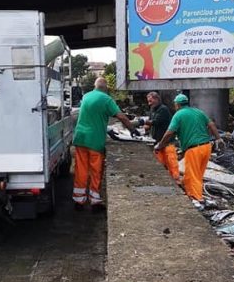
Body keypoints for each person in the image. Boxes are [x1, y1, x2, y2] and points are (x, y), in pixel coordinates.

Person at [72, 77, 137, 211]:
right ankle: (95, 201)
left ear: (95, 86)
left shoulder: (86, 96)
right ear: (105, 88)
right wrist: (133, 129)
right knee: (96, 170)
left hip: (80, 137)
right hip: (95, 140)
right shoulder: (106, 99)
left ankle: (79, 200)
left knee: (81, 169)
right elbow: (121, 117)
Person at [153, 94, 222, 203]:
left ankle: (197, 199)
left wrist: (160, 144)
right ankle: (196, 196)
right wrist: (219, 139)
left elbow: (169, 132)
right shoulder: (198, 112)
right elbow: (211, 124)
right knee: (198, 175)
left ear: (177, 104)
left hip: (194, 149)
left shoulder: (178, 114)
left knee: (192, 176)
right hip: (207, 147)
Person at [144, 91, 179, 181]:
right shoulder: (152, 109)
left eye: (151, 101)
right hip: (157, 142)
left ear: (157, 99)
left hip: (167, 142)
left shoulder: (163, 109)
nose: (149, 103)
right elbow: (151, 121)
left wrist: (143, 122)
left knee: (172, 163)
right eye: (148, 101)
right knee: (159, 163)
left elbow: (156, 121)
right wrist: (147, 126)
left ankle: (176, 180)